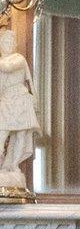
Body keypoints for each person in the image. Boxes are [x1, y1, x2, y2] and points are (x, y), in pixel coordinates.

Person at [0, 29, 40, 180]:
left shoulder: (18, 59)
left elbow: (8, 67)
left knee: (21, 134)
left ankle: (14, 165)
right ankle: (3, 166)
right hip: (6, 101)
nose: (8, 45)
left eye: (11, 42)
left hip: (21, 99)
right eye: (5, 42)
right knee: (2, 133)